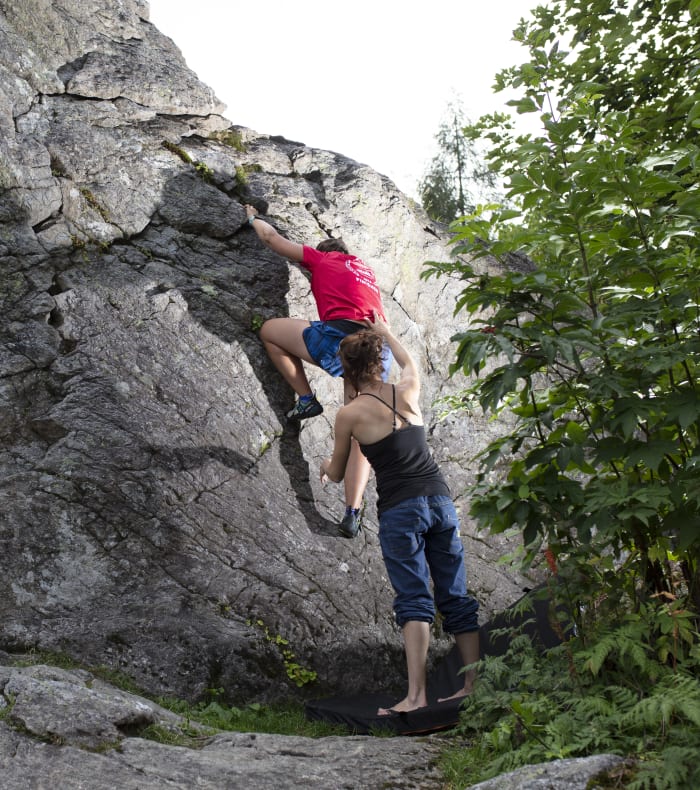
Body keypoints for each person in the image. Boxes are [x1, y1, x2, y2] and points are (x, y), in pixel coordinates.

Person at [320, 313, 480, 714]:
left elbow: (339, 472)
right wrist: (387, 331)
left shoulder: (350, 414)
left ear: (347, 370)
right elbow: (412, 364)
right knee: (455, 596)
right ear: (379, 362)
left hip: (401, 511)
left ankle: (416, 697)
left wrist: (325, 467)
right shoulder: (407, 389)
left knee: (413, 599)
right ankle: (472, 686)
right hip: (440, 502)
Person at [244, 204, 392, 539]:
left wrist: (253, 217)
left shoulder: (323, 259)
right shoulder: (366, 271)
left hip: (343, 338)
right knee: (360, 436)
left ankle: (306, 398)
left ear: (325, 253)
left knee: (270, 331)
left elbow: (271, 238)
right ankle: (352, 513)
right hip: (379, 348)